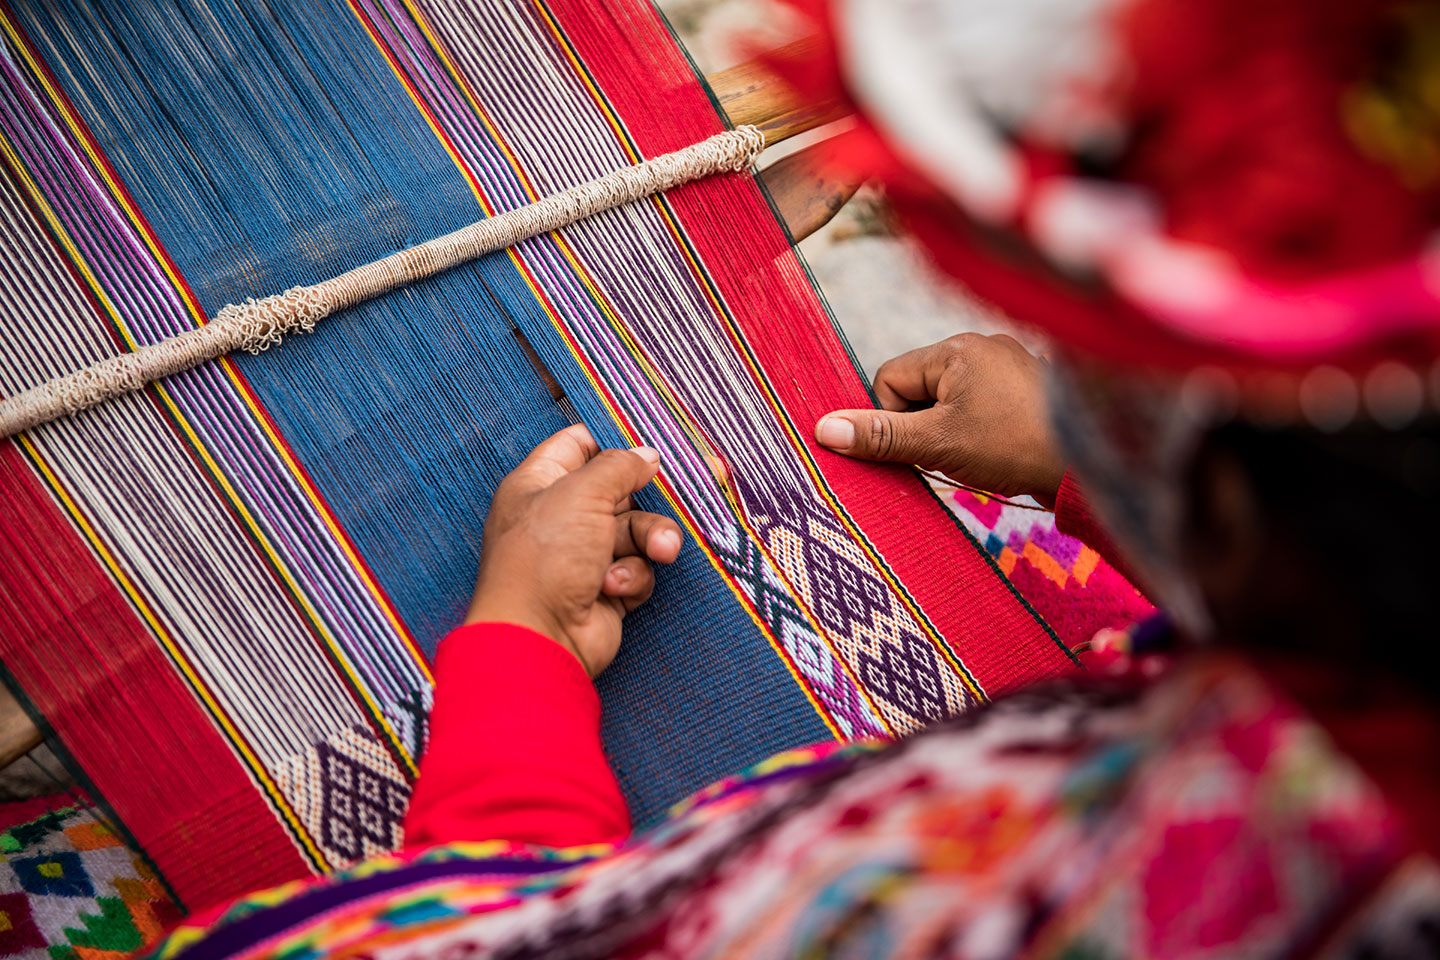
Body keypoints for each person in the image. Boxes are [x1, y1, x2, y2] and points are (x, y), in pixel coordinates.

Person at [149, 0, 1440, 957]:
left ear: (1229, 506)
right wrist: (1086, 469)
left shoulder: (1122, 891)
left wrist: (514, 662)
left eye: (1102, 366)